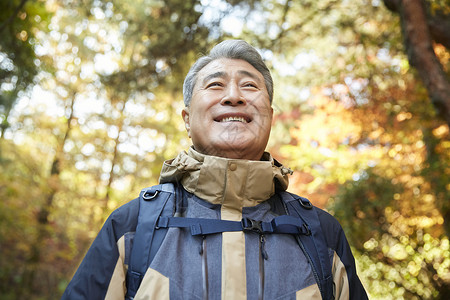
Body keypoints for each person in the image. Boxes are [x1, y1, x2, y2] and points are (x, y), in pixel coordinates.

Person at [62, 40, 368, 299]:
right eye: (215, 85)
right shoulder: (132, 227)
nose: (234, 96)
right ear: (186, 118)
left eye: (249, 85)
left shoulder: (322, 235)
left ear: (270, 116)